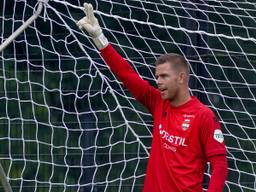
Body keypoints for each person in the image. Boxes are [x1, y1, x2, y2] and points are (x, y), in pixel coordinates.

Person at [77, 3, 228, 192]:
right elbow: (127, 74)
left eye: (164, 76)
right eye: (157, 76)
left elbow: (220, 165)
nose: (158, 81)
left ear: (181, 77)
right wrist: (100, 39)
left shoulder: (204, 116)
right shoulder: (158, 102)